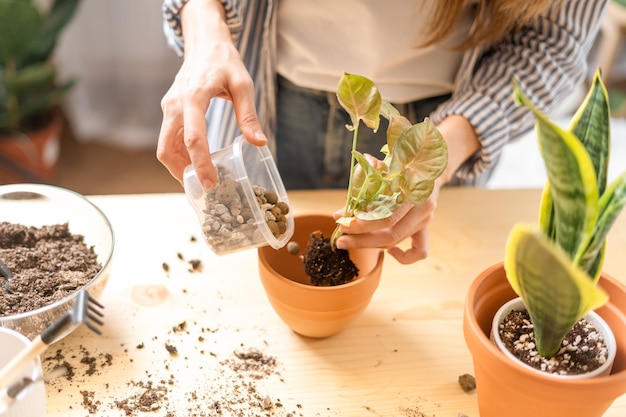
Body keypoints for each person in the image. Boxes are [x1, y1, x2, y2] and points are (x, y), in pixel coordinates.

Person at [158, 0, 608, 264]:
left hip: (436, 118)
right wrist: (206, 30)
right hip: (269, 94)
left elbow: (554, 41)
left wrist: (439, 153)